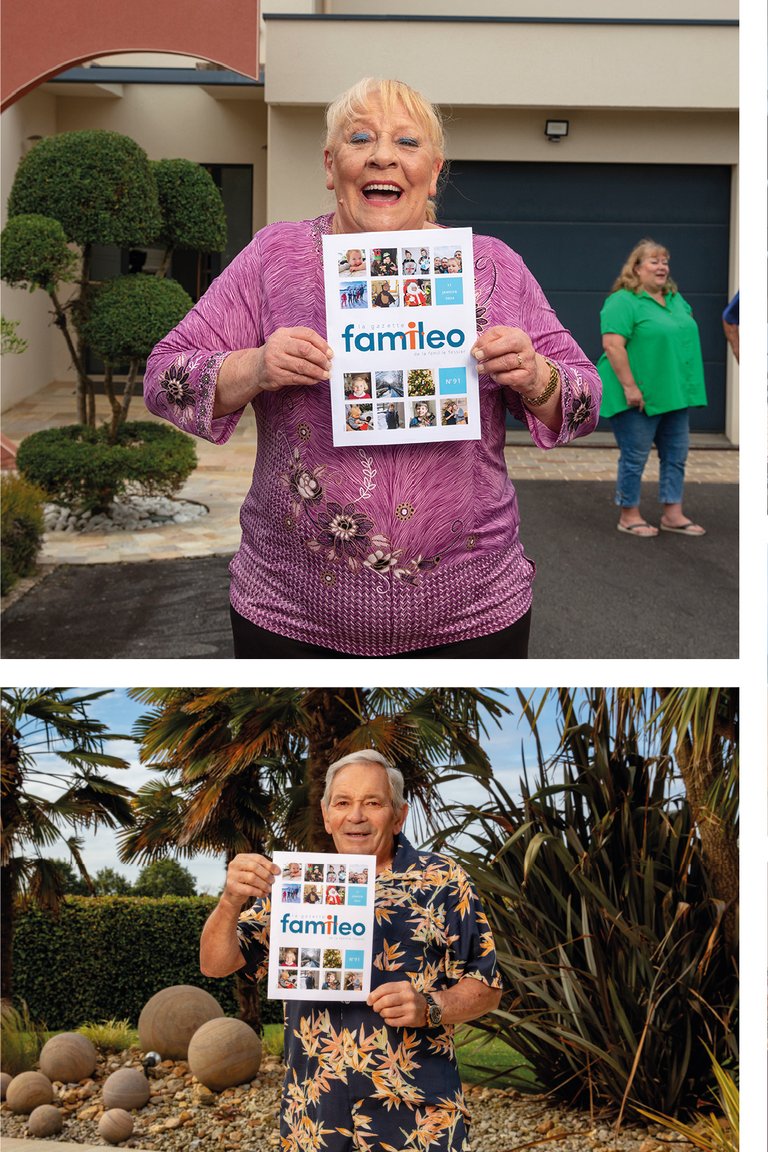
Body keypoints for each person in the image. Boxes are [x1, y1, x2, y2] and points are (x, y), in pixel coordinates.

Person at [145, 77, 598, 657]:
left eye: (407, 143)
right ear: (331, 167)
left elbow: (586, 401)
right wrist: (256, 366)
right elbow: (164, 377)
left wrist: (538, 379)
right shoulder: (274, 258)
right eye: (361, 138)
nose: (383, 155)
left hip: (475, 609)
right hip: (289, 611)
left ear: (435, 172)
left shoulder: (490, 268)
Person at [199, 751, 501, 1148]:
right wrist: (229, 901)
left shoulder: (444, 881)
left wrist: (431, 1006)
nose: (355, 815)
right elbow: (215, 964)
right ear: (326, 816)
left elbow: (487, 986)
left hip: (417, 1114)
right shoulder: (297, 884)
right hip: (314, 1112)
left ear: (398, 816)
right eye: (342, 802)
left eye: (372, 803)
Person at [597, 239, 706, 537]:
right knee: (635, 456)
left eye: (665, 261)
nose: (662, 267)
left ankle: (673, 513)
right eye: (654, 261)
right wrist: (631, 387)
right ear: (636, 267)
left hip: (673, 392)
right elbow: (613, 345)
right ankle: (628, 514)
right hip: (636, 394)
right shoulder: (623, 301)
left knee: (676, 454)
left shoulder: (674, 299)